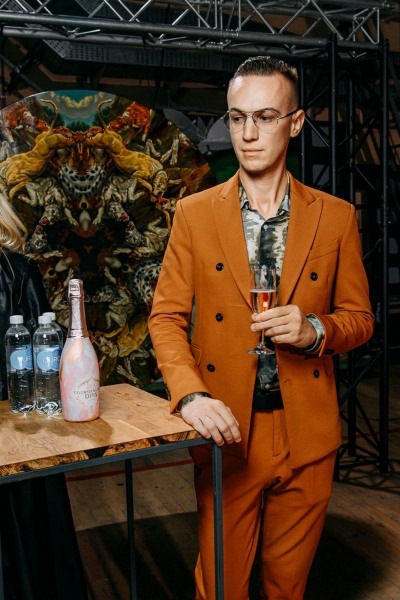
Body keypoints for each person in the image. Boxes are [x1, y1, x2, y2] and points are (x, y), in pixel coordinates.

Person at [149, 56, 374, 600]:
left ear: (295, 123)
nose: (248, 134)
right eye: (237, 117)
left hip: (307, 430)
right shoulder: (194, 213)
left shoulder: (336, 216)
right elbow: (166, 317)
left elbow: (361, 320)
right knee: (220, 587)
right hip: (229, 430)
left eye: (266, 117)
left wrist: (315, 330)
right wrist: (191, 395)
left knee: (286, 587)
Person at [0, 191, 88, 600]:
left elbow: (42, 352)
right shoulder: (18, 269)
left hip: (18, 426)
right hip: (19, 426)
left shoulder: (17, 270)